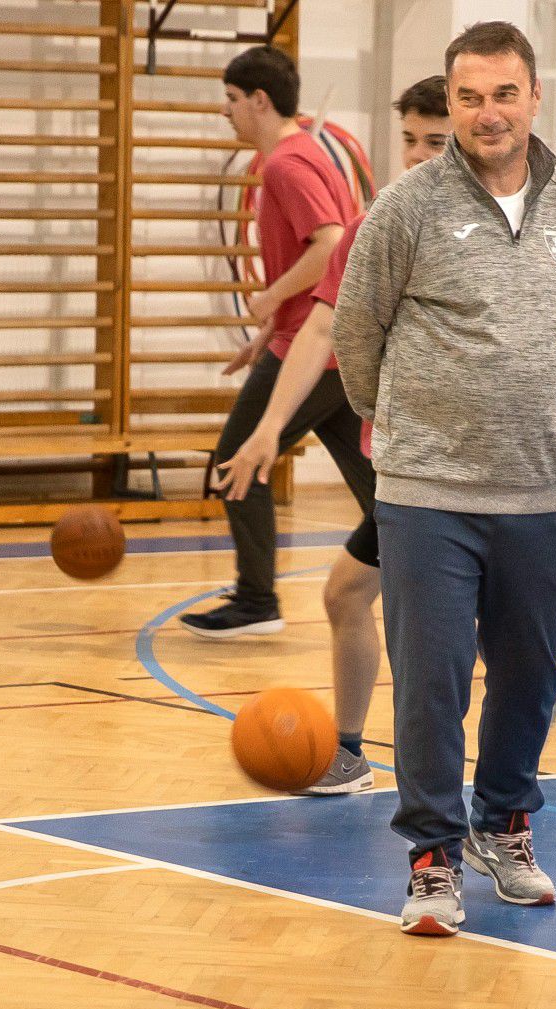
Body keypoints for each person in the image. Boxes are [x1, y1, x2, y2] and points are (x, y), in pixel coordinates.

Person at [332, 21, 556, 937]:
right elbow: (356, 334)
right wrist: (402, 431)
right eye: (470, 96)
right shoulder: (404, 208)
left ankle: (505, 825)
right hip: (427, 492)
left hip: (537, 491)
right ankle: (433, 857)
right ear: (450, 102)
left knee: (531, 675)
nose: (488, 113)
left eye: (504, 93)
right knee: (433, 683)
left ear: (533, 96)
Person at [212, 75, 455, 796]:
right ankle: (350, 753)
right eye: (409, 139)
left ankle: (481, 794)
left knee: (446, 627)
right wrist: (266, 432)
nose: (416, 155)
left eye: (434, 142)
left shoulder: (505, 234)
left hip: (473, 469)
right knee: (350, 596)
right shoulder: (377, 226)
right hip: (412, 467)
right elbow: (323, 324)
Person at [180, 45, 371, 640]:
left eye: (232, 101)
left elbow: (331, 245)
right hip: (324, 346)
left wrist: (269, 302)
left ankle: (257, 600)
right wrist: (266, 331)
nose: (226, 112)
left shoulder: (287, 165)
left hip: (314, 350)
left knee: (238, 457)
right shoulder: (304, 155)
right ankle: (443, 567)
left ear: (260, 101)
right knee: (375, 480)